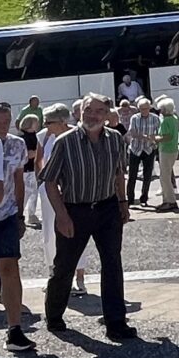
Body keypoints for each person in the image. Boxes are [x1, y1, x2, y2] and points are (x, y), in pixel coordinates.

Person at [43, 94, 135, 341]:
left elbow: (119, 172)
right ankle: (54, 316)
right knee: (65, 266)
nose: (92, 115)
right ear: (79, 112)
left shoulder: (115, 139)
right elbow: (50, 182)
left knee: (112, 263)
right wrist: (62, 215)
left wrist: (123, 202)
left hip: (107, 208)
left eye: (98, 111)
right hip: (75, 210)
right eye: (88, 110)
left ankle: (116, 323)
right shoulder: (65, 141)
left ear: (107, 115)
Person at [0, 100, 37, 351]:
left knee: (9, 267)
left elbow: (18, 180)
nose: (2, 126)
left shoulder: (17, 144)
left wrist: (20, 215)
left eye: (6, 122)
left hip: (5, 214)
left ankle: (14, 329)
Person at [124, 98, 158, 207]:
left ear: (150, 108)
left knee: (147, 175)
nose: (144, 111)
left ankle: (144, 198)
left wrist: (155, 138)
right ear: (139, 109)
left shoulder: (155, 118)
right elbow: (132, 133)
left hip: (149, 149)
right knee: (132, 175)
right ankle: (130, 199)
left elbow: (159, 132)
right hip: (136, 148)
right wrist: (144, 137)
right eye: (142, 109)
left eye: (146, 108)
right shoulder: (135, 118)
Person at [154, 95, 179, 211]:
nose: (160, 110)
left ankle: (170, 201)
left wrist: (156, 138)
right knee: (165, 176)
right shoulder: (174, 118)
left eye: (161, 108)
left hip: (166, 150)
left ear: (165, 110)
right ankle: (166, 200)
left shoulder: (165, 121)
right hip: (173, 149)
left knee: (165, 177)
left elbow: (166, 137)